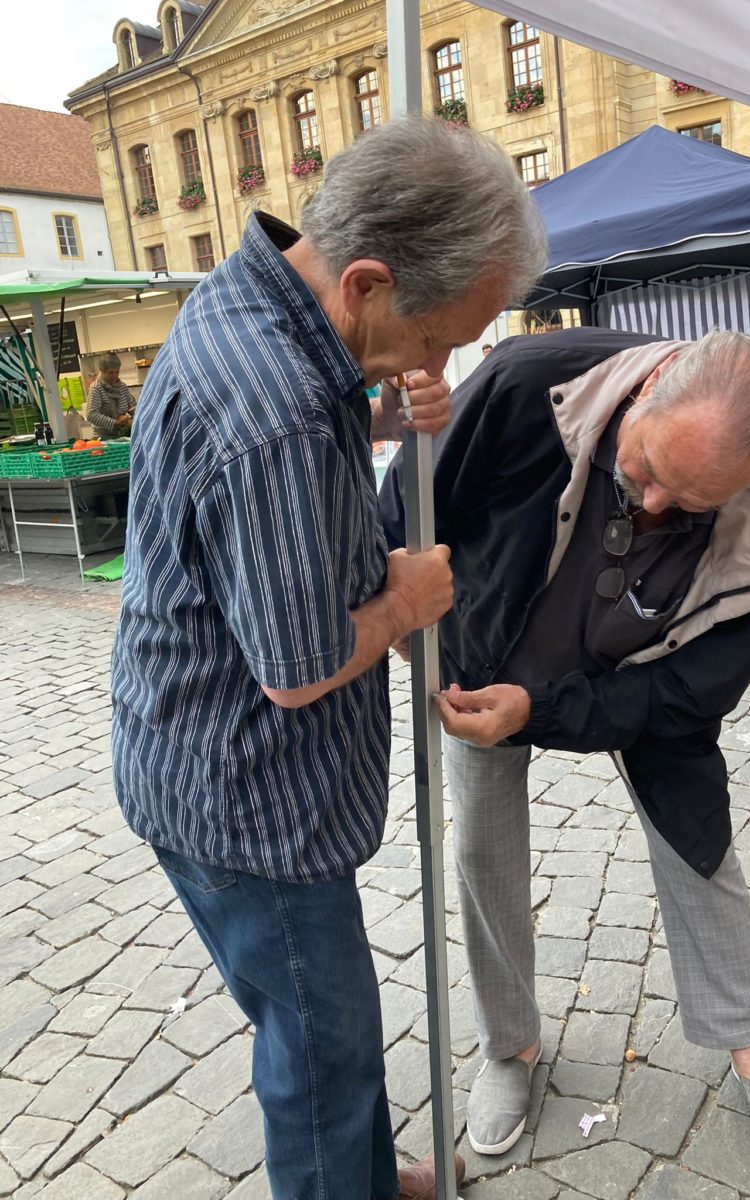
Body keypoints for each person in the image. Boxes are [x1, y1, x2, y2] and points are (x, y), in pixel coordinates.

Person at [111, 115, 546, 1200]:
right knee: (321, 1048)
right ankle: (334, 1175)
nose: (441, 363)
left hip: (212, 761)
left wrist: (391, 400)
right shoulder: (276, 412)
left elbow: (289, 480)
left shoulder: (271, 299)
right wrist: (406, 597)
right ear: (365, 282)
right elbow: (297, 665)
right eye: (440, 335)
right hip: (247, 798)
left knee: (325, 1026)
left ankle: (353, 1171)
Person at [380, 327, 750, 1185]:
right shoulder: (524, 386)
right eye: (647, 468)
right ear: (650, 387)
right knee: (482, 849)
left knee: (703, 853)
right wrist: (419, 651)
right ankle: (510, 1044)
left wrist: (551, 707)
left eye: (689, 503)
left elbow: (701, 685)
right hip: (488, 660)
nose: (653, 503)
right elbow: (405, 517)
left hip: (646, 686)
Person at [86, 353, 135, 437]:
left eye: (117, 372)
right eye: (111, 373)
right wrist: (115, 423)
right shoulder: (96, 388)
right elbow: (91, 415)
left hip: (123, 435)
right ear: (102, 371)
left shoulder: (122, 386)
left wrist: (133, 416)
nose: (115, 376)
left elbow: (132, 406)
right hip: (104, 438)